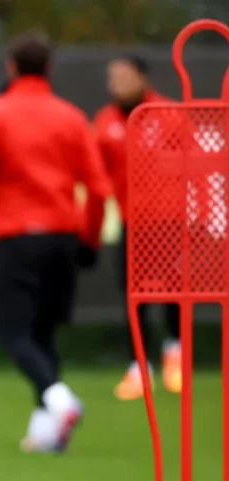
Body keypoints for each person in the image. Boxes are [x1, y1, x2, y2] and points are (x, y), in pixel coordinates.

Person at [0, 33, 112, 453]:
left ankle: (58, 400)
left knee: (16, 334)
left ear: (11, 67)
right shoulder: (72, 116)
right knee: (44, 333)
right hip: (63, 236)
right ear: (50, 69)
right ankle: (47, 432)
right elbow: (98, 189)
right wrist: (90, 241)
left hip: (16, 236)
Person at [88, 55, 179, 401]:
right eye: (112, 76)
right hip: (132, 221)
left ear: (141, 77)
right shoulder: (106, 120)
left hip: (171, 219)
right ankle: (139, 369)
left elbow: (190, 165)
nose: (116, 83)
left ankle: (176, 354)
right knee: (133, 294)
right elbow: (100, 176)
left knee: (173, 290)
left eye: (123, 75)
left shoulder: (169, 113)